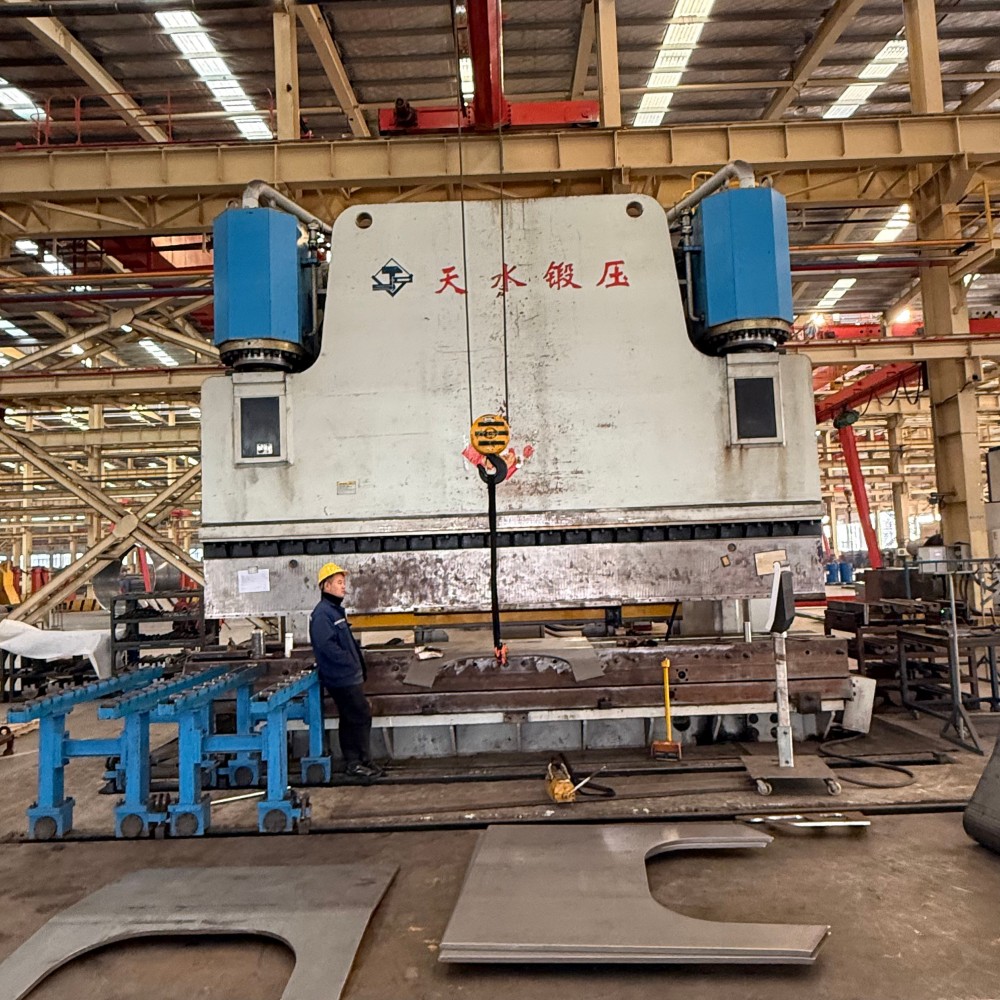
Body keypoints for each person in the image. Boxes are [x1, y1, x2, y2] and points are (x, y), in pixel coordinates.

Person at [310, 562, 381, 778]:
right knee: (357, 716)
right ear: (326, 586)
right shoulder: (323, 614)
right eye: (339, 583)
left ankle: (364, 760)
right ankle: (354, 762)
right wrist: (350, 664)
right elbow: (327, 646)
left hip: (348, 676)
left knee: (355, 716)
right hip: (340, 678)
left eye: (344, 583)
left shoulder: (334, 611)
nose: (344, 587)